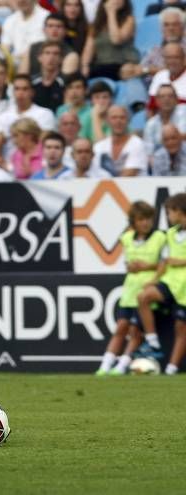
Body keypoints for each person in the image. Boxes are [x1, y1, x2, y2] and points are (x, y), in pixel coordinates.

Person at [95, 201, 166, 375]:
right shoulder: (127, 238)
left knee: (135, 331)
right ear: (133, 221)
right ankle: (104, 366)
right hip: (129, 291)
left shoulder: (160, 238)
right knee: (120, 328)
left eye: (148, 218)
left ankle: (121, 367)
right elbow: (127, 263)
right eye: (141, 219)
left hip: (146, 292)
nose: (145, 223)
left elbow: (164, 264)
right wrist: (130, 267)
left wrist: (146, 267)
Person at [135, 193, 186, 375]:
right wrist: (154, 280)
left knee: (181, 328)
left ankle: (171, 368)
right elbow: (164, 261)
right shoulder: (170, 234)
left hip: (184, 289)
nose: (168, 217)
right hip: (170, 282)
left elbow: (176, 260)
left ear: (180, 212)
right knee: (144, 296)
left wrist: (182, 261)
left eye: (170, 212)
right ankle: (153, 342)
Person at [81, 0, 137, 80]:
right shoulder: (97, 24)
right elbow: (88, 49)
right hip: (102, 65)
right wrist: (85, 66)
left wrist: (111, 13)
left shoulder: (129, 20)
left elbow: (116, 40)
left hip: (123, 65)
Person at [91, 105, 147, 176]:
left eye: (122, 117)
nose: (118, 121)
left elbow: (128, 175)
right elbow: (94, 173)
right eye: (114, 118)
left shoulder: (137, 143)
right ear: (107, 121)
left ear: (128, 120)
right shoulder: (99, 146)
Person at [144, 84, 186, 153]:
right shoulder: (151, 124)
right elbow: (148, 151)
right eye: (162, 96)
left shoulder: (184, 110)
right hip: (161, 160)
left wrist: (166, 140)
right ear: (156, 101)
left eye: (170, 96)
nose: (166, 99)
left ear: (176, 99)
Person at [31, 41, 65, 111]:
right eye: (47, 53)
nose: (51, 57)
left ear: (61, 59)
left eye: (55, 54)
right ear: (39, 57)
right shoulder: (31, 82)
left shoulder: (66, 82)